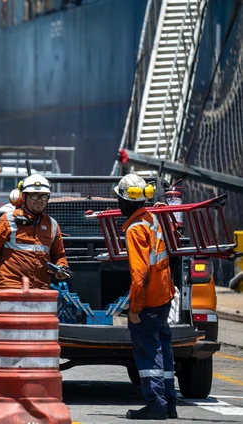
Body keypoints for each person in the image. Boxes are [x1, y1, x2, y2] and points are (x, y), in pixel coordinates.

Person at [115, 174, 177, 420]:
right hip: (164, 296)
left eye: (120, 199)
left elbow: (140, 274)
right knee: (164, 350)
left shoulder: (135, 228)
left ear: (128, 203)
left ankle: (156, 404)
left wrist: (135, 308)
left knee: (149, 354)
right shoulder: (151, 219)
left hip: (149, 301)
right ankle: (169, 403)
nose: (118, 204)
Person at [0, 174, 69, 306]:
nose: (39, 200)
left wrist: (62, 267)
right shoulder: (8, 220)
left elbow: (59, 256)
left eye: (44, 196)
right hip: (11, 292)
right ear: (24, 197)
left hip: (40, 294)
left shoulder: (52, 225)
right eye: (34, 196)